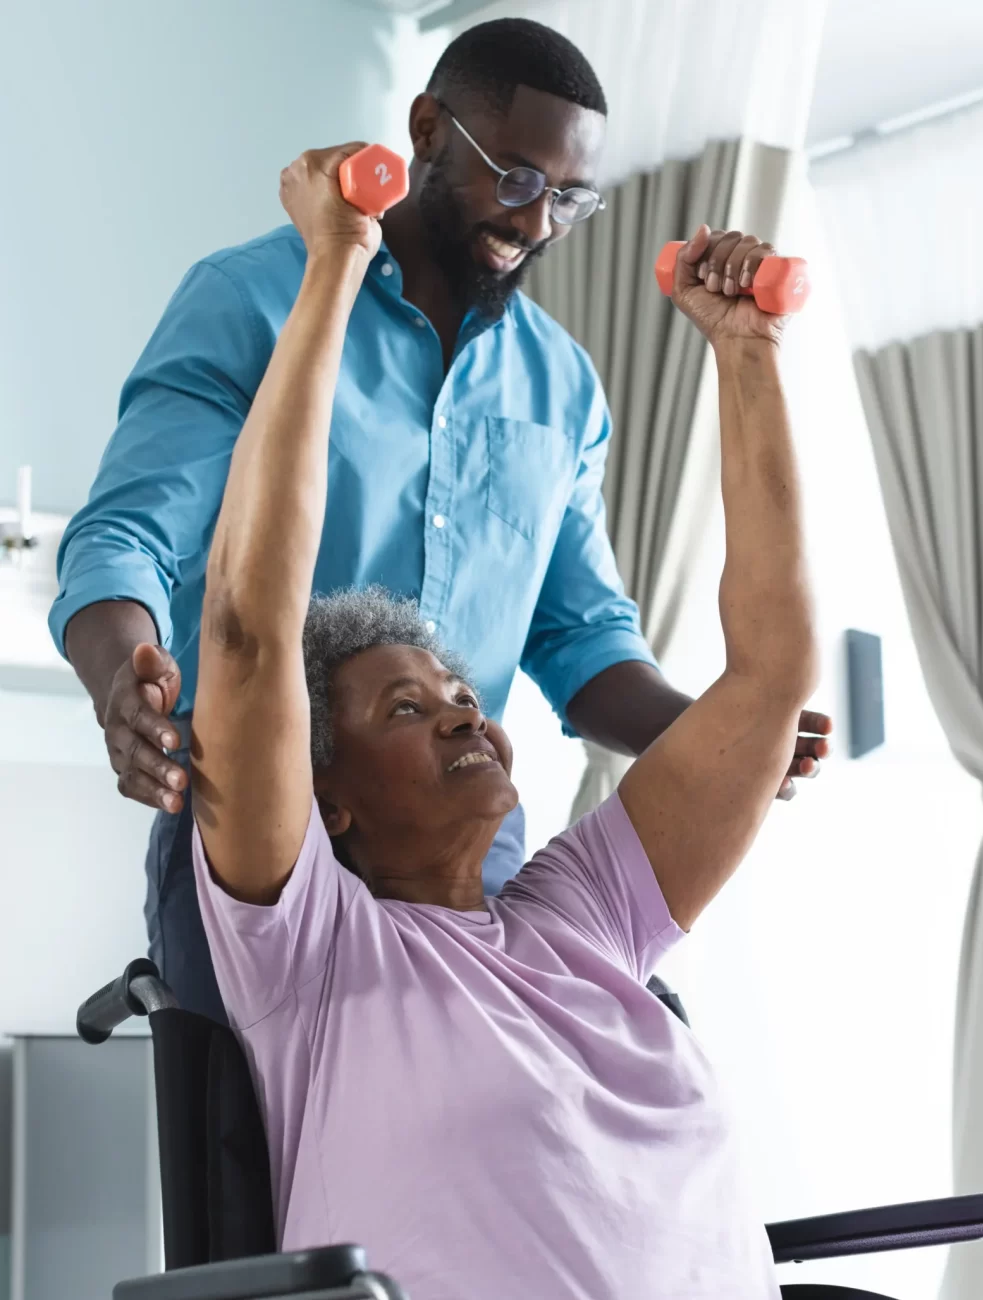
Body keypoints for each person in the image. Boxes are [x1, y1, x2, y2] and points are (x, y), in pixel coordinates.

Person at [50, 17, 829, 1025]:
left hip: (463, 854)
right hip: (267, 832)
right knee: (274, 1171)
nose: (539, 223)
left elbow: (581, 643)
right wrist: (124, 676)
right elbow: (128, 540)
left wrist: (716, 739)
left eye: (571, 199)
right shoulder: (250, 299)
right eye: (515, 180)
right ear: (427, 130)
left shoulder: (563, 386)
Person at [188, 135, 816, 1300]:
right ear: (328, 796)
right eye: (408, 706)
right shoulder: (315, 952)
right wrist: (335, 262)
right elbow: (248, 629)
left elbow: (768, 680)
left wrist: (748, 356)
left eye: (465, 695)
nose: (461, 714)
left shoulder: (588, 913)